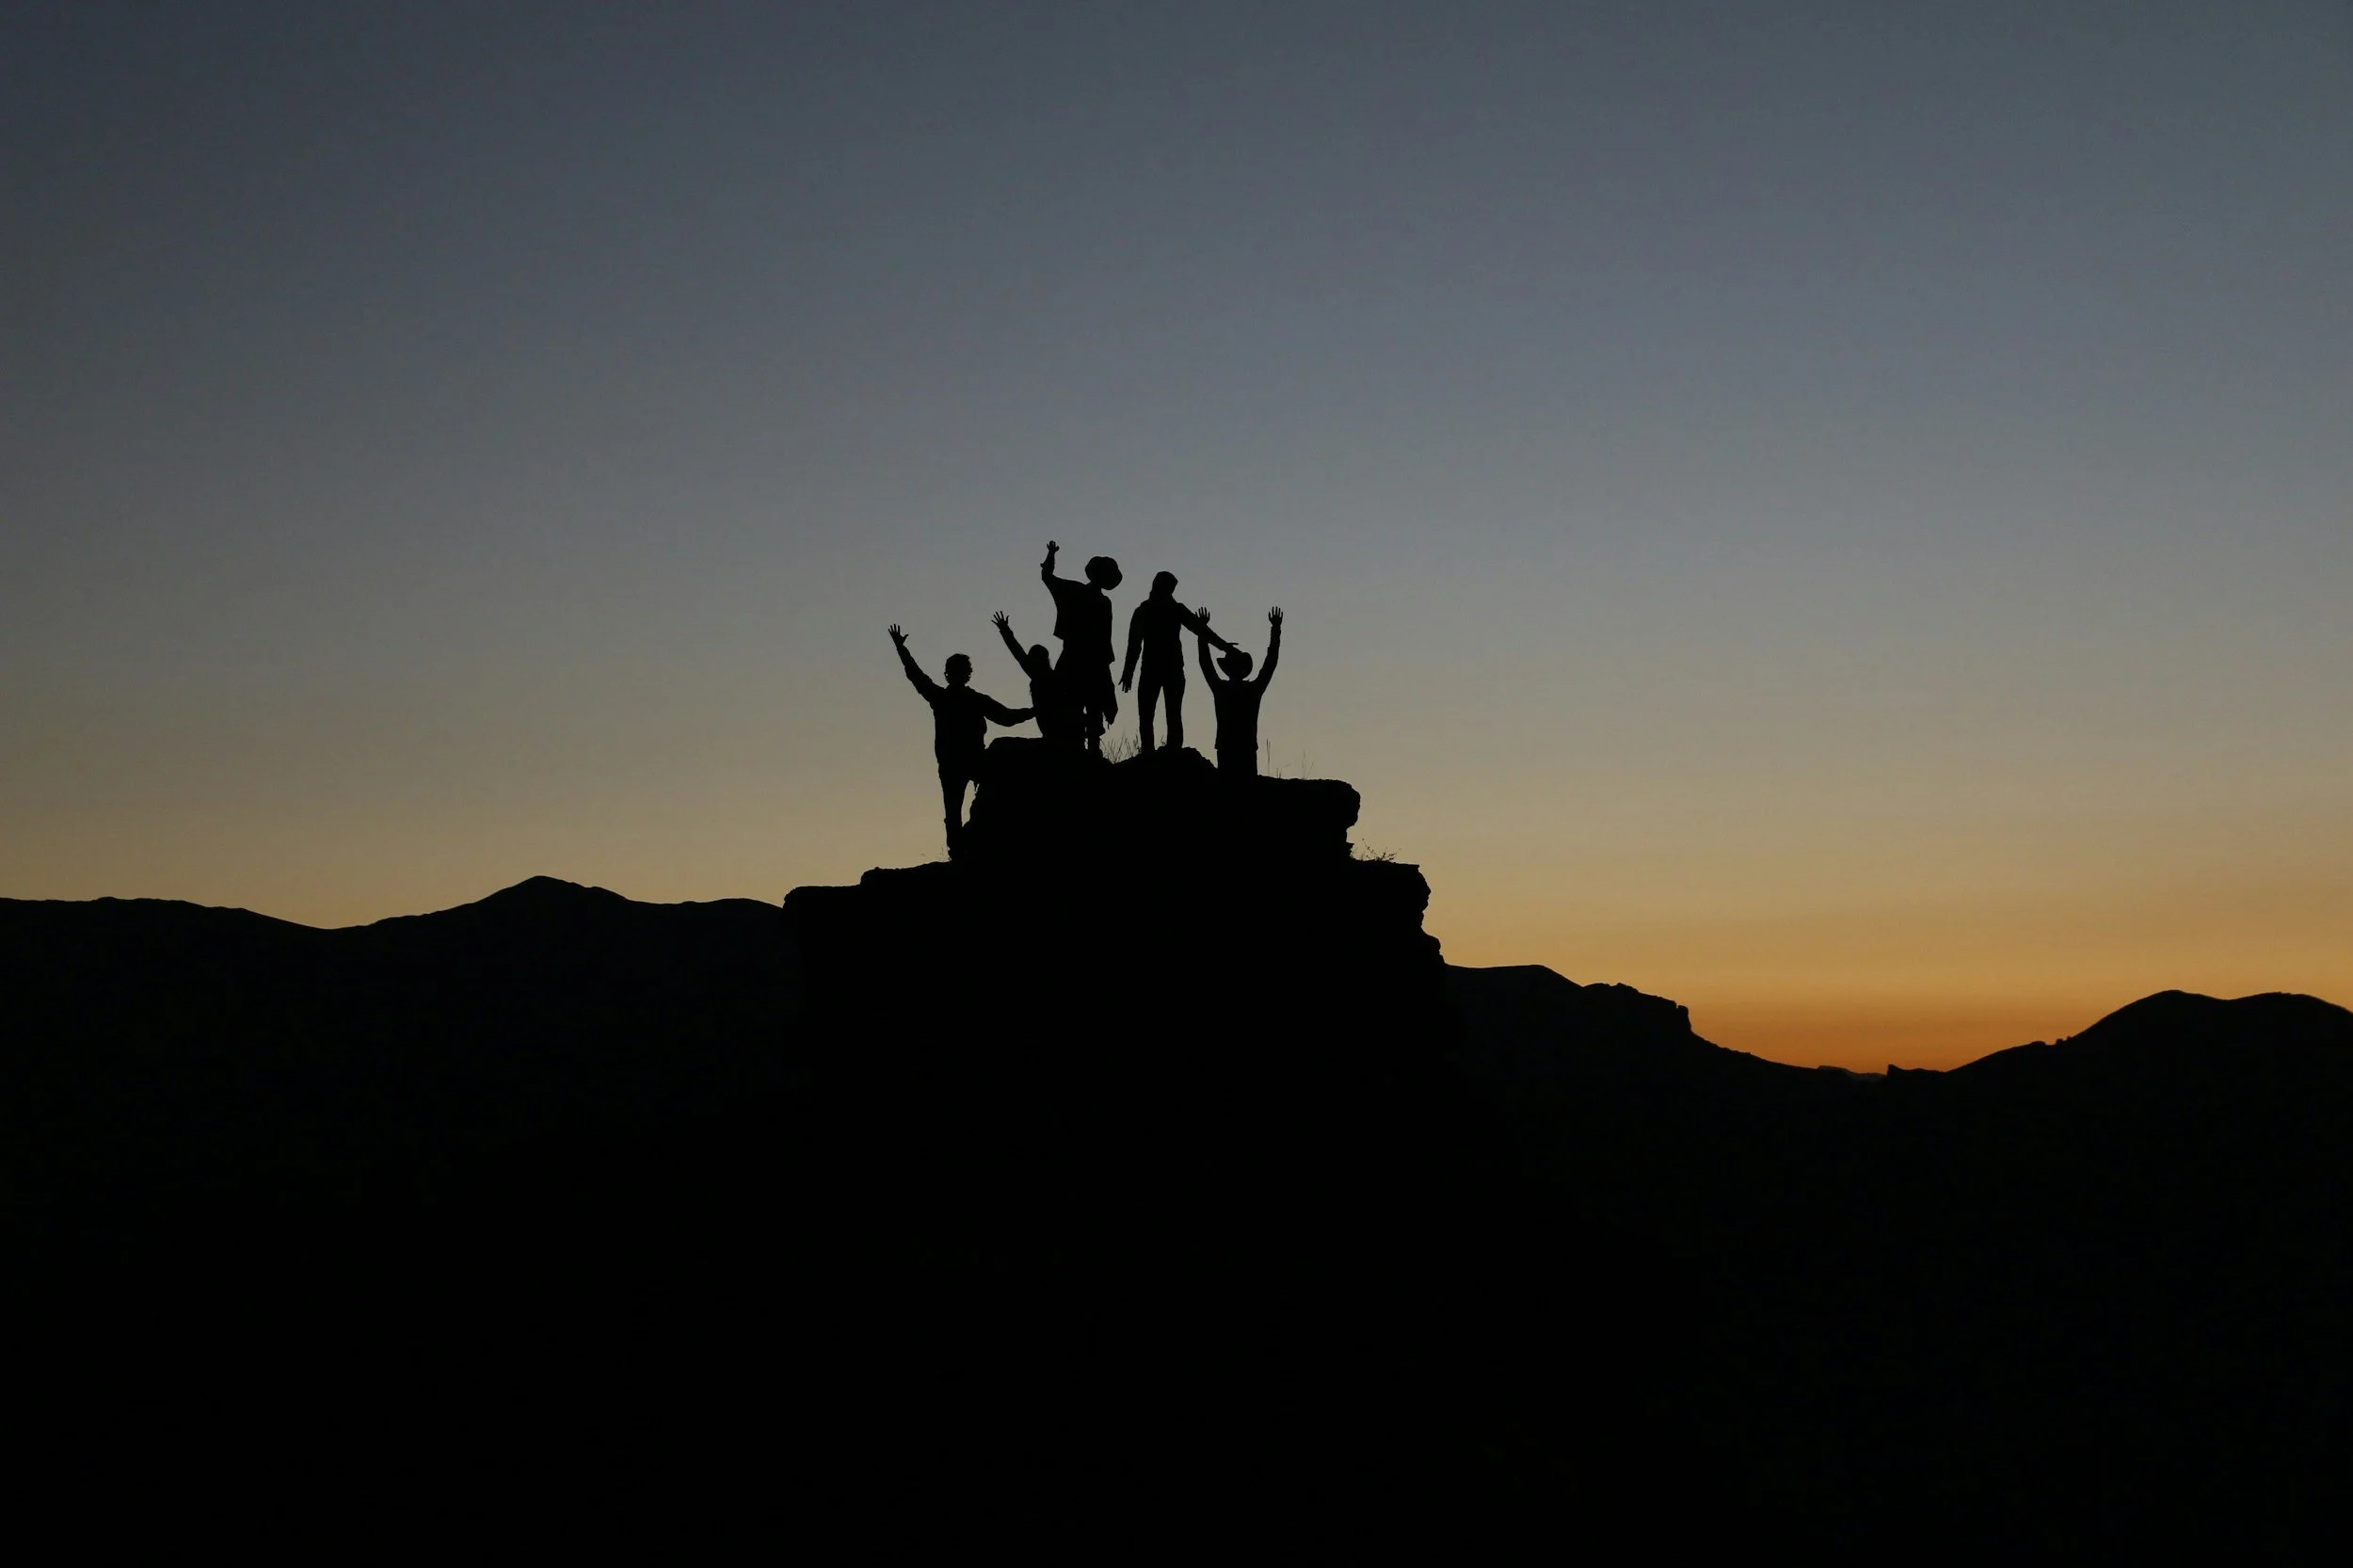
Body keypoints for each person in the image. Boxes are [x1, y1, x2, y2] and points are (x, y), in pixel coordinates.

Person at [889, 623, 1032, 853]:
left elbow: (915, 675)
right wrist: (1035, 711)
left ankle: (963, 847)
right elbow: (1007, 717)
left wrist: (901, 649)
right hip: (962, 762)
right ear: (966, 674)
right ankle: (963, 849)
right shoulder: (961, 699)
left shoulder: (945, 697)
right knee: (958, 808)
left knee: (955, 810)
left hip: (959, 763)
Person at [1119, 570, 1238, 754]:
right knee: (1152, 715)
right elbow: (1134, 645)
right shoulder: (1150, 611)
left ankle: (1169, 751)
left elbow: (1201, 630)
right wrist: (1128, 672)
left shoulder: (1162, 610)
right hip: (1157, 669)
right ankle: (1152, 752)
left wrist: (1225, 647)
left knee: (1166, 714)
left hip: (1165, 670)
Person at [1038, 540, 1121, 756]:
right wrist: (1051, 554)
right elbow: (1047, 577)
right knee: (1074, 705)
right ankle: (1078, 749)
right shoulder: (1077, 591)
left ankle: (1089, 750)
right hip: (1079, 658)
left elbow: (1104, 636)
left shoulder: (1103, 602)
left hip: (1091, 660)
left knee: (1091, 707)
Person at [1196, 606, 1283, 776]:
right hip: (1245, 747)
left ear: (1228, 669)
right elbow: (1270, 663)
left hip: (1227, 747)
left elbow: (1205, 663)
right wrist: (1276, 629)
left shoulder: (1222, 689)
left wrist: (1202, 632)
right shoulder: (1252, 690)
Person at [992, 610, 1080, 748]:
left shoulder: (1050, 677)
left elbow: (1018, 652)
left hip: (1060, 727)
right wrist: (1005, 630)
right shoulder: (1047, 676)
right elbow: (1017, 651)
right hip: (1054, 728)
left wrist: (1005, 630)